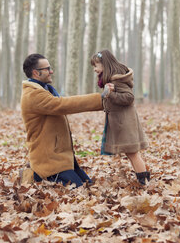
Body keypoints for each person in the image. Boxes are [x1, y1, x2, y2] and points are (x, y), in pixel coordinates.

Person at [19, 53, 111, 188]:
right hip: (49, 161)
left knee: (88, 185)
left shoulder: (45, 89)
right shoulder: (32, 94)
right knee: (79, 190)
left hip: (60, 157)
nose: (51, 71)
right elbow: (62, 104)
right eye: (47, 68)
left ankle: (38, 175)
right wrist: (100, 99)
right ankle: (37, 174)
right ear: (36, 73)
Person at [91, 50, 150, 185]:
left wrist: (110, 94)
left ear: (105, 64)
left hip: (125, 122)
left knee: (133, 153)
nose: (95, 69)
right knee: (131, 153)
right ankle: (143, 180)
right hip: (120, 121)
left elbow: (129, 98)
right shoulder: (111, 80)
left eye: (96, 65)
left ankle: (144, 182)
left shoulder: (116, 80)